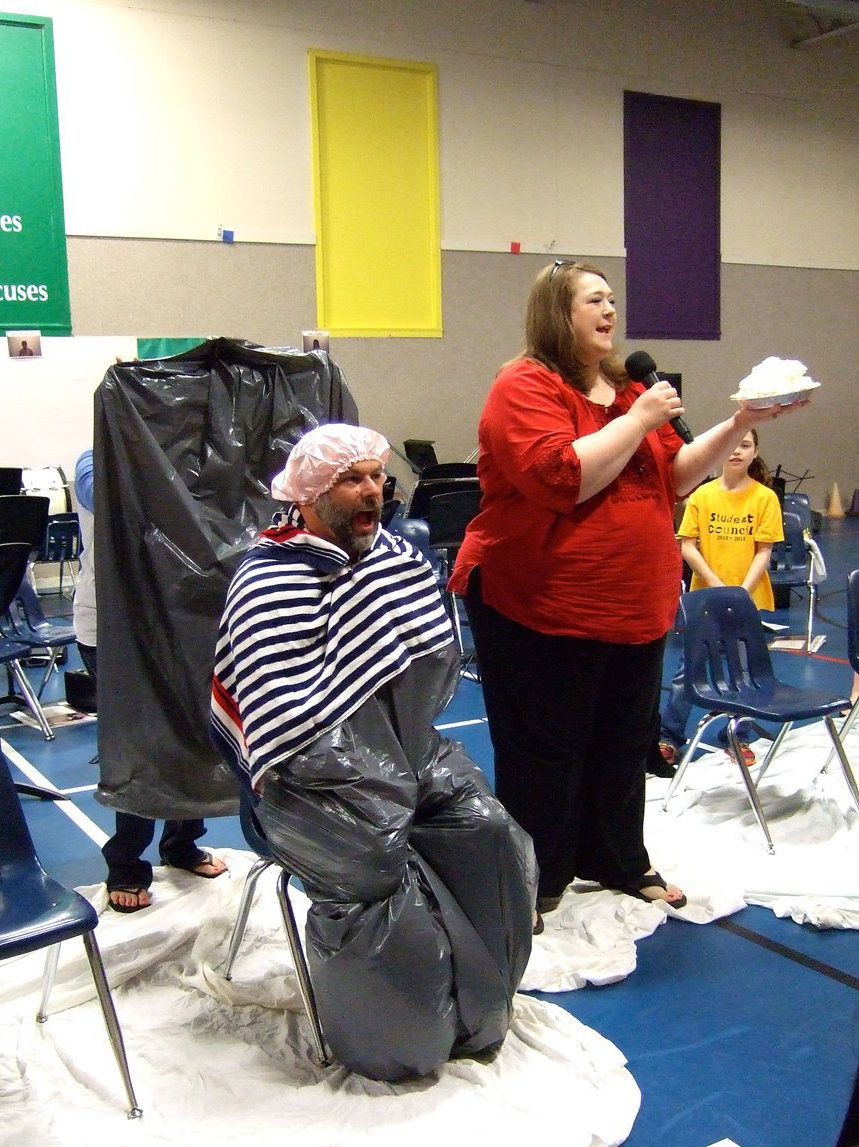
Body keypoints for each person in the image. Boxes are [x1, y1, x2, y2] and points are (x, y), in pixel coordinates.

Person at [447, 259, 810, 924]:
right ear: (558, 313)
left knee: (621, 743)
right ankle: (536, 875)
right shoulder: (523, 385)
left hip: (632, 606)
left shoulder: (626, 385)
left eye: (612, 299)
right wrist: (638, 416)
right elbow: (563, 480)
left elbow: (675, 477)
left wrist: (737, 424)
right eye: (593, 300)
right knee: (545, 748)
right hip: (540, 602)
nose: (610, 310)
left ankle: (618, 858)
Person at [210, 424, 536, 1082]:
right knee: (378, 878)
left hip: (401, 755)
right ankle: (401, 1041)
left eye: (377, 477)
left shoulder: (388, 557)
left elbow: (423, 672)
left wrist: (397, 763)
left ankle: (480, 1010)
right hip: (307, 787)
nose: (373, 491)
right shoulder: (267, 579)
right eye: (352, 479)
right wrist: (364, 779)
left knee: (489, 831)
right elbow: (279, 719)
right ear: (307, 494)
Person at [73, 448, 227, 913]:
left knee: (196, 736)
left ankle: (181, 844)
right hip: (113, 629)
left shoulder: (194, 464)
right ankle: (126, 863)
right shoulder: (94, 462)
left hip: (182, 624)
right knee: (139, 746)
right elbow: (106, 494)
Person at [658, 427, 783, 768]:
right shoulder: (701, 496)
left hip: (748, 600)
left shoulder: (764, 498)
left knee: (742, 673)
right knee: (689, 673)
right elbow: (687, 546)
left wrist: (740, 591)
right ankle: (669, 736)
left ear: (755, 452)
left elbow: (764, 551)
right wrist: (717, 586)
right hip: (705, 602)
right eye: (731, 444)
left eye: (745, 445)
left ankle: (736, 735)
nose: (737, 451)